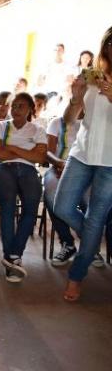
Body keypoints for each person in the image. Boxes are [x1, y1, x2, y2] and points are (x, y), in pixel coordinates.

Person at [54, 26, 112, 301]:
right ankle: (90, 239)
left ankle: (76, 276)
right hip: (82, 153)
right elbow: (68, 118)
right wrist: (76, 98)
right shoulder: (91, 78)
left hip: (111, 162)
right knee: (62, 205)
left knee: (96, 216)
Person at [0, 92, 47, 283]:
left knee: (31, 208)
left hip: (29, 170)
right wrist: (27, 152)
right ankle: (12, 256)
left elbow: (40, 158)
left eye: (20, 106)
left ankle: (13, 255)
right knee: (8, 205)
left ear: (30, 109)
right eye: (13, 106)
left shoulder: (37, 130)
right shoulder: (0, 127)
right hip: (3, 169)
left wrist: (13, 149)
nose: (15, 110)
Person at [44, 112, 83, 266]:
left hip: (86, 171)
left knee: (91, 200)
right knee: (51, 197)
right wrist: (59, 164)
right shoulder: (57, 122)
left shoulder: (94, 122)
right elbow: (48, 152)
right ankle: (68, 243)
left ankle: (89, 247)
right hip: (59, 167)